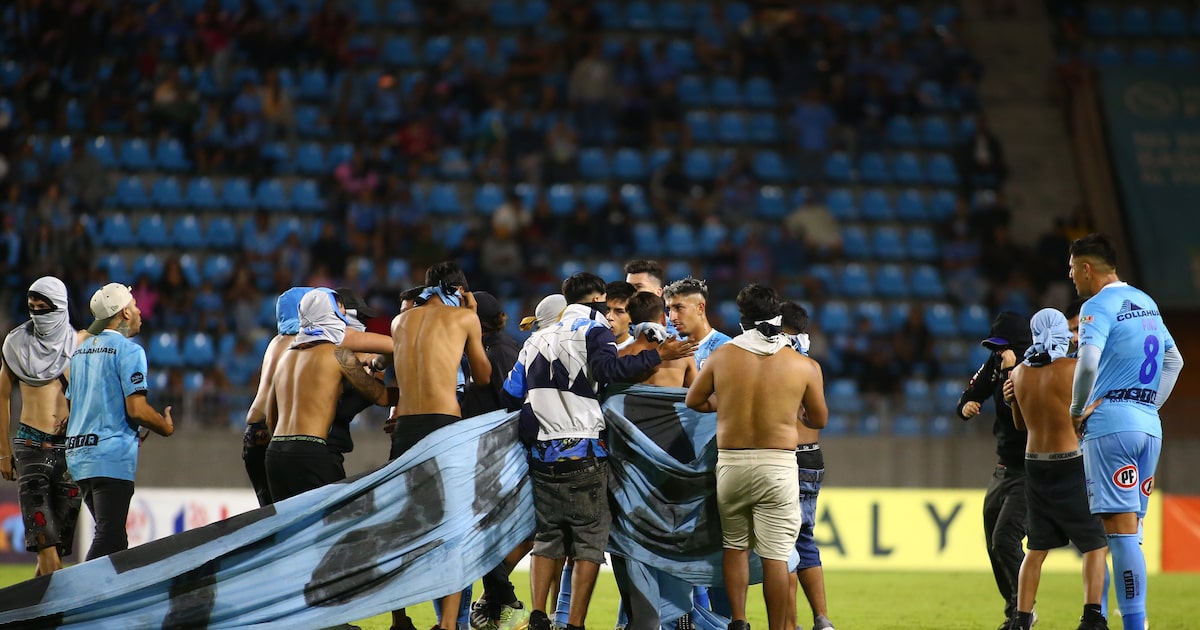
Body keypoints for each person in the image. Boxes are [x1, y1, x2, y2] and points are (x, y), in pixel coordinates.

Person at [504, 272, 695, 630]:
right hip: (583, 452)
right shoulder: (595, 331)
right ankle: (574, 623)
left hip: (542, 456)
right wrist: (659, 354)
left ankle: (538, 615)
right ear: (596, 299)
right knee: (589, 542)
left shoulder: (535, 339)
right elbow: (609, 370)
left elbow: (510, 393)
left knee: (548, 537)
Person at [685, 284, 827, 630]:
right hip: (777, 464)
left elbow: (694, 401)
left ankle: (738, 621)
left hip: (732, 463)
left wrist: (726, 404)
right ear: (776, 317)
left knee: (734, 547)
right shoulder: (802, 364)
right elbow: (819, 419)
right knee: (777, 556)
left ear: (742, 319)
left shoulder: (723, 356)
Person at [1067, 234, 1183, 630]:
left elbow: (1086, 365)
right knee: (1125, 532)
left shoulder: (1096, 306)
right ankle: (1099, 619)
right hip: (1148, 427)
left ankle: (1135, 625)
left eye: (1071, 269)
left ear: (1087, 268)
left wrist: (1076, 410)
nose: (1070, 277)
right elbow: (1175, 360)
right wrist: (1146, 404)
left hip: (1110, 424)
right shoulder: (1146, 301)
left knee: (1119, 535)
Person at [389, 261, 493, 630]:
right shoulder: (464, 318)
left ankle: (399, 618)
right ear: (460, 290)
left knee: (403, 529)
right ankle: (448, 625)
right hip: (443, 426)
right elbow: (483, 376)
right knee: (454, 528)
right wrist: (471, 317)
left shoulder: (399, 322)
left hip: (404, 430)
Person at [1004, 308, 1109, 630]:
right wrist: (1099, 403)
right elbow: (1078, 414)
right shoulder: (1073, 369)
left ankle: (1021, 619)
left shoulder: (1018, 374)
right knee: (1095, 543)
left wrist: (1013, 401)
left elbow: (1020, 424)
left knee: (1036, 548)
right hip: (1069, 463)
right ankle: (1092, 617)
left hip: (1034, 464)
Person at [244, 287, 393, 507]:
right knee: (335, 526)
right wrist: (408, 394)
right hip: (311, 451)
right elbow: (380, 396)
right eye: (339, 309)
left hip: (275, 454)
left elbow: (270, 417)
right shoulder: (338, 354)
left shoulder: (287, 355)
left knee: (285, 529)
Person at [66, 283, 175, 560]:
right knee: (110, 538)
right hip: (111, 455)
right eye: (135, 306)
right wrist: (163, 425)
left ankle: (100, 599)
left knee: (114, 538)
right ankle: (80, 597)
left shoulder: (79, 351)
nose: (139, 311)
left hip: (79, 456)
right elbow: (137, 408)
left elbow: (74, 402)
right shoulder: (130, 351)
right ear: (125, 312)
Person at [0, 277, 86, 576]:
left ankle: (31, 617)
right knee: (45, 543)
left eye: (44, 308)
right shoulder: (16, 344)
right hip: (30, 447)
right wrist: (3, 451)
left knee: (55, 550)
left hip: (69, 450)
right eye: (32, 308)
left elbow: (91, 395)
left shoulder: (80, 344)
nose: (37, 315)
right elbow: (2, 397)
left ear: (60, 307)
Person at [956, 311, 1032, 630]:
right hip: (1002, 469)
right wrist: (966, 407)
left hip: (1031, 469)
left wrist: (1013, 370)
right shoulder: (994, 364)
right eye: (994, 347)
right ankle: (1013, 606)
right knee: (993, 542)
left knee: (1004, 539)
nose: (997, 352)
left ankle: (1023, 608)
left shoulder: (1035, 367)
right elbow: (970, 394)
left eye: (1002, 347)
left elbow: (1029, 412)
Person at [463, 290, 533, 630]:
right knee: (493, 531)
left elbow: (514, 402)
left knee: (506, 530)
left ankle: (498, 601)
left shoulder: (501, 350)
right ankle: (498, 602)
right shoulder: (484, 349)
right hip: (485, 450)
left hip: (499, 452)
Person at [779, 301, 834, 630]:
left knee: (780, 545)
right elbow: (819, 417)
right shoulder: (810, 365)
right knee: (805, 541)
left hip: (784, 456)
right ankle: (822, 619)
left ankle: (790, 625)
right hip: (812, 455)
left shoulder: (771, 363)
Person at [620, 291, 696, 387]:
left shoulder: (620, 356)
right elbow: (698, 397)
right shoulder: (684, 353)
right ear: (663, 318)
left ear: (630, 321)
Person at [664, 277, 730, 369]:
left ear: (700, 308)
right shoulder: (673, 349)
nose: (672, 318)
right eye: (669, 310)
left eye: (679, 308)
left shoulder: (725, 347)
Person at [605, 281, 637, 351]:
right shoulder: (585, 349)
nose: (609, 317)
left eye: (619, 312)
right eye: (606, 310)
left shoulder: (641, 354)